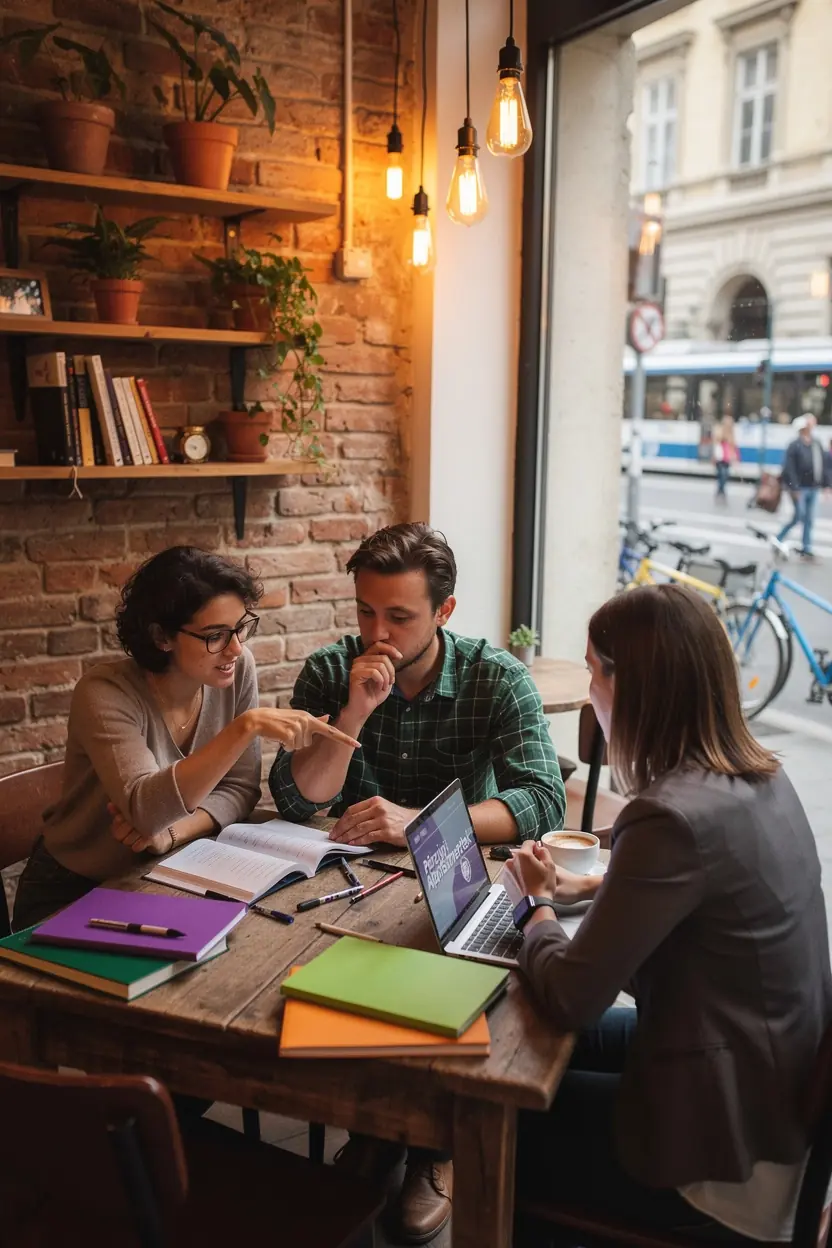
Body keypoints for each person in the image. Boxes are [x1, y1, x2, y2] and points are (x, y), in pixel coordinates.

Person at [269, 521, 565, 1245]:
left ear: (444, 612)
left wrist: (422, 821)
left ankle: (434, 1150)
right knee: (297, 980)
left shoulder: (497, 677)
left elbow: (539, 798)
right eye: (366, 611)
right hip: (349, 883)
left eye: (399, 616)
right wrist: (357, 710)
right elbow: (297, 799)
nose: (379, 632)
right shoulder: (330, 671)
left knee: (446, 986)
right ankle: (375, 1131)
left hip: (456, 881)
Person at [506, 583, 832, 1241]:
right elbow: (713, 902)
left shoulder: (669, 816)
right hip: (765, 1085)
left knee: (508, 1109)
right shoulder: (756, 777)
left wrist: (535, 907)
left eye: (594, 671)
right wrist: (600, 888)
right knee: (539, 1052)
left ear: (628, 686)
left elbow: (574, 995)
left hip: (726, 1155)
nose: (591, 694)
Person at [13, 546, 359, 931]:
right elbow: (146, 810)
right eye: (215, 636)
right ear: (162, 637)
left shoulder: (235, 668)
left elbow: (240, 791)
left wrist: (170, 835)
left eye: (241, 627)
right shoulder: (104, 693)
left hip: (162, 872)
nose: (235, 648)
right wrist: (245, 727)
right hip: (72, 890)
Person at [777, 414, 831, 561]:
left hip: (813, 487)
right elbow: (789, 468)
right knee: (799, 516)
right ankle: (778, 539)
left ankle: (806, 548)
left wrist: (827, 485)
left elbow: (823, 466)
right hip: (800, 488)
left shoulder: (816, 443)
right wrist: (794, 488)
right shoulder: (795, 445)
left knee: (809, 519)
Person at [711, 414, 738, 502]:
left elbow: (733, 447)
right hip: (720, 457)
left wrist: (735, 458)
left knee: (725, 475)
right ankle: (721, 491)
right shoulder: (720, 431)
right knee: (722, 474)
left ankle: (720, 490)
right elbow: (716, 442)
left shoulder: (731, 434)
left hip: (727, 458)